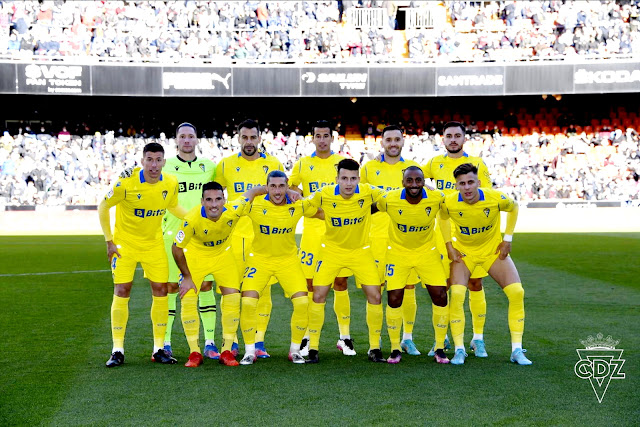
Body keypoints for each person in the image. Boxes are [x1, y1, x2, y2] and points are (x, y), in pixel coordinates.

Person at [98, 142, 187, 367]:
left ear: (164, 162)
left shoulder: (170, 182)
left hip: (154, 245)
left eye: (158, 160)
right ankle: (117, 349)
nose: (154, 165)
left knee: (161, 290)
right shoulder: (126, 182)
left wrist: (195, 217)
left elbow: (174, 206)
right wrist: (109, 241)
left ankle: (159, 349)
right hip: (124, 245)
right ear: (142, 161)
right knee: (122, 290)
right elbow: (103, 206)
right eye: (150, 160)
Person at [439, 163, 532, 366]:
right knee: (457, 295)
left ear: (478, 183)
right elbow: (443, 217)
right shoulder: (450, 202)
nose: (467, 187)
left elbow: (514, 207)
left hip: (492, 252)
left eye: (471, 182)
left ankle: (517, 350)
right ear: (456, 186)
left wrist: (507, 239)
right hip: (465, 254)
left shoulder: (494, 198)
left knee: (517, 292)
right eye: (462, 183)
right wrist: (449, 245)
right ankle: (460, 349)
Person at [171, 181, 266, 367]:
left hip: (223, 257)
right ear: (202, 201)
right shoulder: (191, 219)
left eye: (218, 199)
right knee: (188, 297)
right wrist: (187, 277)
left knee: (232, 297)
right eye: (209, 200)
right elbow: (176, 248)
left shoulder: (234, 209)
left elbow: (254, 191)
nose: (214, 204)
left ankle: (227, 351)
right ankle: (194, 352)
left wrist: (288, 191)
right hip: (196, 258)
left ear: (224, 200)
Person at [215, 119, 285, 358]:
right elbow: (215, 196)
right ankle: (231, 341)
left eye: (253, 137)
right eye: (244, 137)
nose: (249, 142)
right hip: (233, 237)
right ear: (238, 139)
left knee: (263, 291)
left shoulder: (273, 164)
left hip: (262, 237)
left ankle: (259, 342)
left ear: (259, 139)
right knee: (231, 290)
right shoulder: (225, 165)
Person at [306, 159, 387, 364]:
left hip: (361, 252)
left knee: (375, 296)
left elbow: (392, 197)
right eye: (344, 178)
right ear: (337, 179)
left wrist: (426, 189)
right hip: (331, 252)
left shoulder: (368, 191)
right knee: (318, 295)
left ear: (359, 179)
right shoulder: (324, 193)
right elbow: (303, 205)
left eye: (353, 179)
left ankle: (375, 348)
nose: (349, 183)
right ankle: (313, 348)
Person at [423, 121, 493, 358]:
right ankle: (441, 341)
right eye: (448, 136)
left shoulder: (477, 165)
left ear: (464, 139)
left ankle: (477, 338)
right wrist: (431, 192)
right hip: (442, 236)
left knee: (475, 284)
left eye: (457, 136)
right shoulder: (434, 163)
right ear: (443, 139)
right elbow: (414, 179)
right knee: (441, 287)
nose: (453, 139)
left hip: (470, 236)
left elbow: (488, 197)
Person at [238, 171, 322, 365]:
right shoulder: (255, 205)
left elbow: (321, 212)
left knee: (302, 303)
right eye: (272, 186)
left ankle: (295, 351)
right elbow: (236, 204)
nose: (277, 191)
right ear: (266, 187)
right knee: (249, 303)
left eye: (281, 186)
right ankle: (250, 351)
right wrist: (257, 191)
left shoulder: (297, 205)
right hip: (259, 261)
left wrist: (300, 196)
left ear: (287, 187)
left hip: (288, 262)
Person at [289, 120, 354, 357]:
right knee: (310, 284)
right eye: (318, 135)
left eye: (326, 135)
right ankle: (307, 336)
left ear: (332, 138)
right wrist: (307, 204)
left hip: (338, 233)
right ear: (313, 138)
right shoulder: (304, 163)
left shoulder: (342, 163)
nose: (323, 139)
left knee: (340, 283)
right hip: (312, 233)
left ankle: (345, 337)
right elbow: (290, 189)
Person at [376, 166, 450, 364]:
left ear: (424, 181)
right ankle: (394, 349)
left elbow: (452, 212)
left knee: (440, 296)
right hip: (397, 254)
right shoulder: (389, 199)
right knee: (394, 298)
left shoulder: (436, 198)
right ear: (403, 182)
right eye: (410, 180)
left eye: (418, 180)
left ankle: (440, 348)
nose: (414, 184)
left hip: (427, 253)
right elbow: (368, 209)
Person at [362, 125, 422, 356]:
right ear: (382, 142)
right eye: (389, 140)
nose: (393, 143)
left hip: (404, 240)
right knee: (374, 291)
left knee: (408, 288)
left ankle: (407, 338)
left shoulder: (412, 169)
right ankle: (374, 344)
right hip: (375, 238)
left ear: (403, 142)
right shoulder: (368, 168)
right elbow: (362, 202)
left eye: (397, 139)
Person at [161, 122, 218, 360]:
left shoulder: (210, 167)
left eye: (190, 136)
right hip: (173, 235)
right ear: (176, 140)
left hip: (202, 237)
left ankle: (210, 342)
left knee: (205, 286)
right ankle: (164, 343)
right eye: (182, 136)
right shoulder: (166, 167)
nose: (186, 140)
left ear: (197, 140)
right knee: (171, 288)